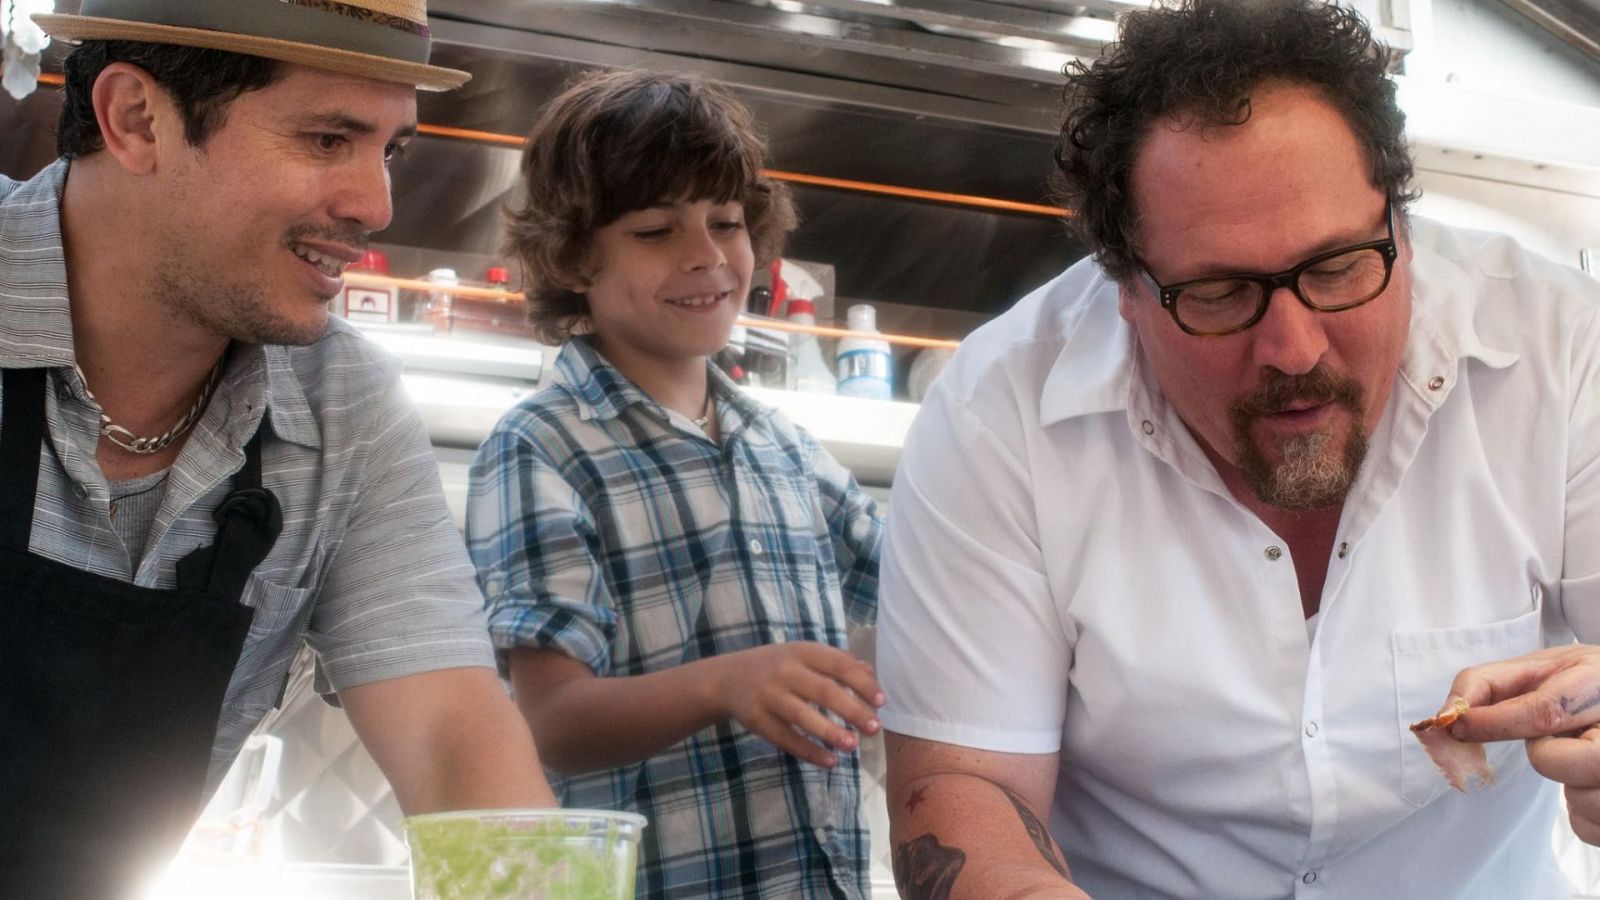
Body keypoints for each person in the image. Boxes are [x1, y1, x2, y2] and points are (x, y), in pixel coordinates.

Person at [874, 1, 1600, 898]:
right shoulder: (998, 416)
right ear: (1125, 290)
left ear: (1401, 229)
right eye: (1220, 293)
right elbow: (964, 785)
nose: (1294, 350)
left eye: (1337, 268)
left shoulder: (1563, 356)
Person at [1, 2, 555, 895]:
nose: (375, 204)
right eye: (328, 138)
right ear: (137, 119)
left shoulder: (345, 410)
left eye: (391, 151)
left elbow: (455, 743)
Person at [466, 69, 886, 898]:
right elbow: (550, 722)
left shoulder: (785, 447)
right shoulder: (544, 444)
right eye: (656, 230)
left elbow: (929, 589)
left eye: (726, 222)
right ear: (574, 255)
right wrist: (725, 684)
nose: (706, 255)